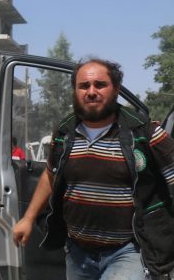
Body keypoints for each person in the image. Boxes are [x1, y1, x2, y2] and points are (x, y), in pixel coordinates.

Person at [12, 58, 174, 279]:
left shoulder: (144, 131)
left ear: (116, 89)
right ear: (75, 91)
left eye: (100, 84)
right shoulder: (64, 132)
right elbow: (51, 175)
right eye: (84, 86)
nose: (91, 91)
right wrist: (28, 218)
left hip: (127, 251)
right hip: (77, 253)